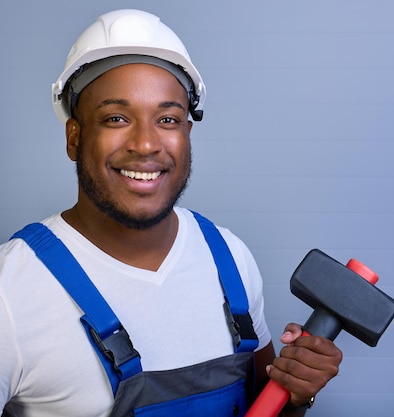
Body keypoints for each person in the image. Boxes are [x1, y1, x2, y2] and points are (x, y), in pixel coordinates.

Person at [0, 9, 342, 417]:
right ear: (75, 137)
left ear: (187, 134)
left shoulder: (229, 258)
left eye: (167, 119)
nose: (146, 144)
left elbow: (264, 407)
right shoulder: (11, 291)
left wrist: (297, 393)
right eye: (116, 118)